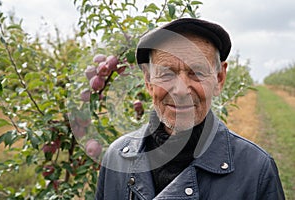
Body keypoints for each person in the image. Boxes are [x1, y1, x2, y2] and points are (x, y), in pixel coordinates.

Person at [95, 18, 285, 200]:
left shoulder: (256, 170)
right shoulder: (116, 159)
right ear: (148, 81)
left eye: (198, 73)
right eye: (166, 73)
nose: (180, 90)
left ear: (219, 79)